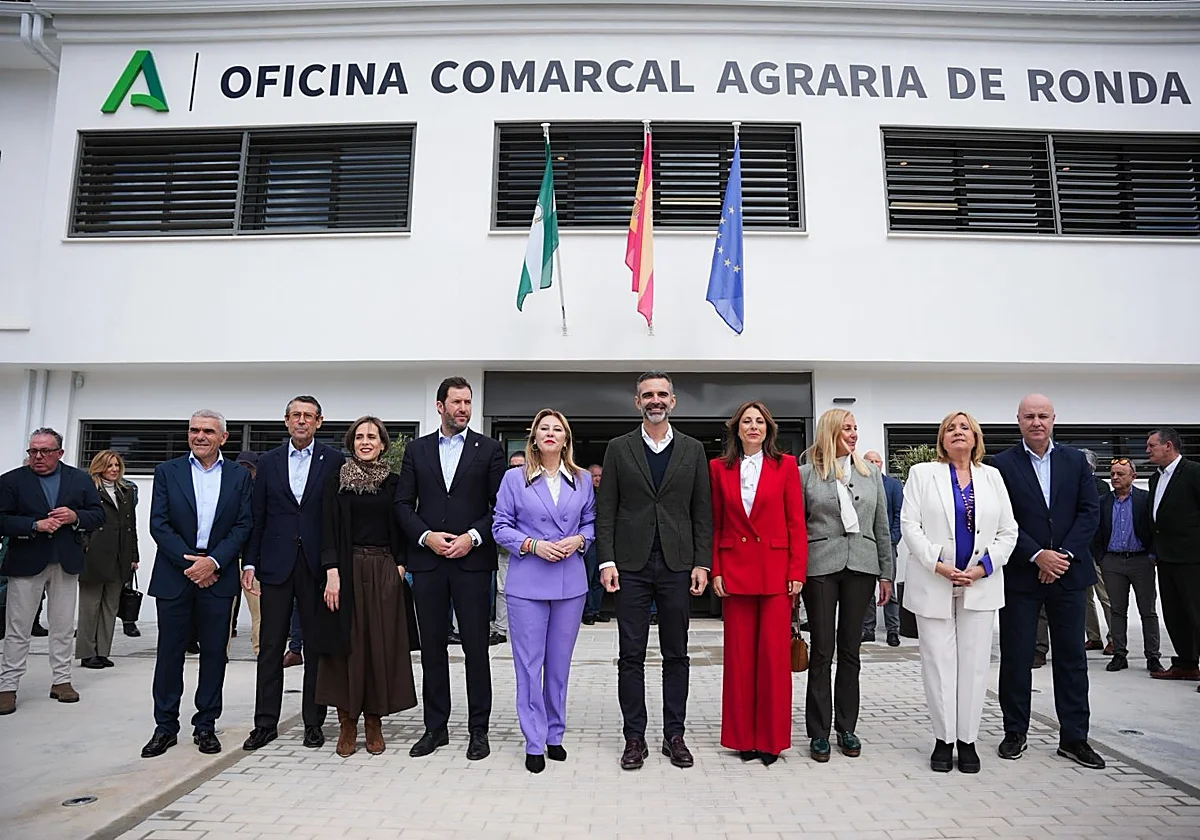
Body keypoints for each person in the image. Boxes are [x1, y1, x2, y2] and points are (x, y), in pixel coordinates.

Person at [594, 371, 712, 771]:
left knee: (676, 653)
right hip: (631, 566)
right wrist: (606, 560)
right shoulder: (618, 448)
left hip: (678, 565)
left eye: (662, 394)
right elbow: (605, 509)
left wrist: (702, 562)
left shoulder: (693, 450)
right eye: (648, 394)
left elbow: (702, 512)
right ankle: (634, 737)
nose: (655, 400)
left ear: (673, 401)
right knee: (631, 655)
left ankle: (674, 735)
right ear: (637, 402)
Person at [901, 412, 1018, 774]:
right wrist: (937, 563)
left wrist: (985, 566)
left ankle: (967, 740)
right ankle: (943, 739)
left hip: (979, 584)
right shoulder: (923, 474)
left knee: (974, 664)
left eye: (964, 427)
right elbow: (910, 524)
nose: (957, 433)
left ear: (976, 437)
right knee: (937, 663)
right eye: (950, 428)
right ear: (942, 438)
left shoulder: (992, 477)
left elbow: (1008, 530)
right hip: (935, 580)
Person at [396, 376, 505, 760]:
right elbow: (402, 505)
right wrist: (426, 537)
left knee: (477, 649)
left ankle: (479, 730)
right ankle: (435, 728)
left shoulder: (489, 449)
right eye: (456, 402)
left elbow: (499, 509)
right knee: (432, 650)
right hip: (428, 564)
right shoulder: (417, 450)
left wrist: (471, 538)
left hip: (472, 563)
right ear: (439, 406)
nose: (463, 408)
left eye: (467, 402)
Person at [992, 394, 1103, 769]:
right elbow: (1001, 519)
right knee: (1017, 656)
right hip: (1023, 574)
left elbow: (1090, 512)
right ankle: (1015, 732)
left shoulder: (1075, 461)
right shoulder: (1002, 464)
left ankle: (1074, 739)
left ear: (1054, 419)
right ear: (1018, 420)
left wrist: (1063, 555)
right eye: (1029, 416)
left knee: (1072, 658)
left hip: (1070, 574)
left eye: (1043, 416)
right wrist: (1037, 554)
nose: (1036, 422)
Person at [141, 411, 253, 758]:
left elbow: (244, 524)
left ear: (224, 437)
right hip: (176, 573)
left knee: (215, 654)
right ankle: (165, 726)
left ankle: (206, 725)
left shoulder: (238, 476)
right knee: (170, 653)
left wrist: (214, 562)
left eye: (208, 431)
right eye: (194, 430)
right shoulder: (167, 471)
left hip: (218, 574)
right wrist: (192, 564)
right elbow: (158, 525)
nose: (199, 436)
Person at [492, 409, 596, 773]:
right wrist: (532, 545)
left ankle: (555, 734)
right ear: (533, 438)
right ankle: (533, 740)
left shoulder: (581, 479)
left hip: (570, 582)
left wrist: (580, 538)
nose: (550, 434)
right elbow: (499, 526)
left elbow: (591, 521)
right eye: (543, 429)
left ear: (566, 438)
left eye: (558, 429)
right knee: (528, 665)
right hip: (528, 581)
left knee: (558, 666)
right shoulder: (513, 479)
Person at [241, 396, 346, 752]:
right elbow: (258, 516)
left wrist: (335, 567)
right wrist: (250, 562)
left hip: (316, 566)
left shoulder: (333, 460)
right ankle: (265, 723)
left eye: (308, 416)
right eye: (295, 415)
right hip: (275, 564)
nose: (301, 421)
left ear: (320, 421)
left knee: (315, 648)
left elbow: (337, 518)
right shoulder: (268, 462)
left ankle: (313, 722)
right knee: (270, 646)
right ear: (286, 421)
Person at [709, 401, 806, 766]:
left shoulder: (786, 466)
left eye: (759, 422)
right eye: (747, 421)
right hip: (735, 571)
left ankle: (771, 740)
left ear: (768, 428)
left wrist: (797, 571)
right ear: (736, 428)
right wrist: (715, 568)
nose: (753, 427)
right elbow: (716, 523)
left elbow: (796, 521)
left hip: (775, 573)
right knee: (738, 661)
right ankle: (741, 739)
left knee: (773, 661)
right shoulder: (718, 468)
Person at [314, 416, 416, 757]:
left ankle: (374, 721)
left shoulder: (395, 482)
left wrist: (400, 565)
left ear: (383, 444)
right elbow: (326, 527)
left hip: (385, 568)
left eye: (372, 436)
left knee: (379, 648)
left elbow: (403, 523)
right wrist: (331, 571)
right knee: (348, 646)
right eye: (359, 437)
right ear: (351, 442)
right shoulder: (337, 480)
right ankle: (347, 723)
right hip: (345, 568)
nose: (366, 441)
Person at [798, 409, 893, 762]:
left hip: (863, 566)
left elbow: (881, 527)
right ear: (829, 432)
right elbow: (796, 525)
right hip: (821, 566)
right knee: (822, 649)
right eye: (845, 429)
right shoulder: (805, 474)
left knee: (851, 650)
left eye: (855, 428)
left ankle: (846, 727)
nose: (853, 434)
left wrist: (887, 574)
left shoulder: (870, 475)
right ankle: (819, 732)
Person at [0, 428, 104, 715]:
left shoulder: (79, 479)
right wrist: (34, 526)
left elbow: (98, 515)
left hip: (65, 561)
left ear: (60, 453)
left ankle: (62, 681)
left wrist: (75, 517)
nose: (38, 456)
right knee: (18, 628)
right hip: (26, 561)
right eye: (33, 451)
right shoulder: (11, 481)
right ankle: (7, 686)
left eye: (45, 451)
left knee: (61, 625)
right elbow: (2, 519)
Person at [1146, 428, 1200, 685]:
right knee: (1175, 614)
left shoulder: (1193, 472)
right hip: (1166, 558)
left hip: (1192, 558)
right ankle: (1187, 663)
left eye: (1151, 446)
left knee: (1196, 613)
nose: (1147, 450)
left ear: (1168, 446)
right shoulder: (1156, 479)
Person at [77, 450, 140, 670]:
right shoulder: (88, 490)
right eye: (109, 465)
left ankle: (103, 651)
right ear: (99, 466)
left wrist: (134, 555)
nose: (113, 469)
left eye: (116, 465)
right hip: (94, 554)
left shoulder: (126, 491)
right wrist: (85, 547)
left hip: (119, 555)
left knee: (111, 606)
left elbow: (131, 526)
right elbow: (80, 522)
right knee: (90, 606)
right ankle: (87, 652)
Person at [1098, 458, 1161, 674]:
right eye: (1112, 473)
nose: (1115, 478)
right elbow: (1096, 532)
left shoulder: (1145, 499)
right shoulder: (1103, 501)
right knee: (1117, 610)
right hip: (1113, 561)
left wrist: (1152, 555)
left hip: (1141, 560)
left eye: (1120, 474)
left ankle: (1153, 656)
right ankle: (1119, 654)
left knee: (1148, 611)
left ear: (1133, 477)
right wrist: (1101, 558)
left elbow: (1155, 527)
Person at [862, 450, 903, 646]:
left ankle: (893, 630)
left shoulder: (893, 486)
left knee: (889, 589)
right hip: (866, 545)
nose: (874, 464)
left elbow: (898, 515)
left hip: (888, 544)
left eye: (877, 461)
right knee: (867, 589)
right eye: (870, 461)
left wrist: (892, 539)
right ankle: (868, 629)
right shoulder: (860, 484)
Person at [489, 450, 526, 646]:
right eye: (513, 465)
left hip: (533, 551)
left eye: (521, 465)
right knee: (503, 590)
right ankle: (501, 629)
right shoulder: (506, 486)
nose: (517, 469)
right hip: (507, 549)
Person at [1079, 449, 1114, 654]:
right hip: (1080, 551)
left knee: (1106, 596)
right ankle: (1093, 637)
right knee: (1084, 598)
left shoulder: (1100, 486)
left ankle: (1115, 638)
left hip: (1097, 550)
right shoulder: (1071, 484)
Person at [232, 451, 261, 656]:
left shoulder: (261, 493)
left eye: (248, 468)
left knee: (259, 611)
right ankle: (219, 651)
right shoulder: (227, 491)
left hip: (254, 558)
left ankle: (260, 650)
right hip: (229, 558)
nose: (244, 472)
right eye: (240, 467)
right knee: (223, 610)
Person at [581, 464, 609, 625]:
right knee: (588, 577)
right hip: (588, 541)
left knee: (600, 578)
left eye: (600, 476)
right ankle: (588, 612)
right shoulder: (584, 495)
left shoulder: (606, 494)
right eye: (594, 476)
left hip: (603, 541)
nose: (598, 479)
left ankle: (596, 610)